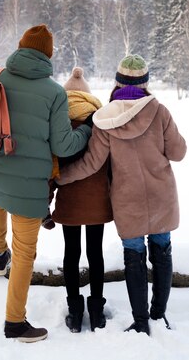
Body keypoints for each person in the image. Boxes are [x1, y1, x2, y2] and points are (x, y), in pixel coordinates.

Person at [55, 54, 187, 336]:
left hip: (128, 202)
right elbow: (179, 152)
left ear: (117, 82)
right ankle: (158, 314)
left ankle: (141, 322)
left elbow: (92, 163)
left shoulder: (106, 119)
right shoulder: (160, 111)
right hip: (162, 196)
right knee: (161, 252)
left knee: (134, 256)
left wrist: (60, 178)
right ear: (145, 83)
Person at [0, 24, 92, 343]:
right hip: (28, 190)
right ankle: (15, 323)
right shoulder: (54, 92)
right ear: (48, 55)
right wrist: (87, 130)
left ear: (21, 47)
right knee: (25, 252)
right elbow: (63, 146)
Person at [48, 67, 114, 333]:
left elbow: (51, 164)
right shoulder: (100, 123)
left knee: (71, 253)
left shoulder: (57, 122)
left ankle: (75, 313)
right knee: (95, 253)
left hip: (70, 201)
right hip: (98, 200)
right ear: (88, 98)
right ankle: (96, 312)